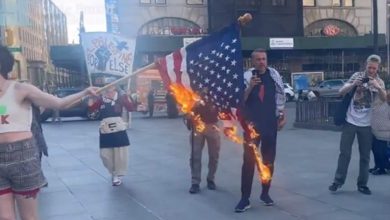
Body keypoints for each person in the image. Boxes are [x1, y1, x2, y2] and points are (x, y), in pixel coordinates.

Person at [0, 45, 97, 220]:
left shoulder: (20, 89)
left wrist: (84, 92)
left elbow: (58, 103)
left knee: (29, 217)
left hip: (22, 156)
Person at [235, 48, 286, 212]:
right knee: (249, 162)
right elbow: (240, 100)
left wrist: (281, 114)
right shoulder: (246, 77)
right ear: (253, 62)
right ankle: (244, 198)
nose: (261, 62)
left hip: (270, 125)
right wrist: (250, 87)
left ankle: (265, 193)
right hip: (252, 126)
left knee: (268, 161)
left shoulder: (274, 75)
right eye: (258, 59)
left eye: (264, 59)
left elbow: (280, 96)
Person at [328, 54, 386, 195]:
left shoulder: (379, 81)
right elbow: (341, 92)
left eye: (374, 68)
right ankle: (338, 181)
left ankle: (362, 184)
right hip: (350, 121)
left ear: (377, 68)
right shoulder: (357, 76)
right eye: (369, 67)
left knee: (365, 155)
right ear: (365, 65)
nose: (371, 70)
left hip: (366, 124)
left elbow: (384, 99)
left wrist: (378, 87)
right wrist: (354, 84)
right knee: (345, 153)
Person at [88, 84, 134, 186]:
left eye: (112, 85)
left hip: (118, 128)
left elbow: (130, 108)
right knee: (105, 154)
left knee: (120, 153)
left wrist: (128, 96)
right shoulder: (101, 99)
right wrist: (91, 97)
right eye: (107, 85)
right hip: (106, 128)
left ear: (115, 87)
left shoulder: (121, 98)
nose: (109, 87)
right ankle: (113, 172)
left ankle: (118, 174)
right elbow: (91, 108)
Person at [187, 92, 221, 194]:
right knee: (195, 155)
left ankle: (211, 179)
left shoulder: (216, 86)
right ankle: (195, 182)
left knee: (214, 155)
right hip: (197, 124)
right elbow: (185, 102)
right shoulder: (195, 85)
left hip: (213, 124)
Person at [369, 88, 390, 175]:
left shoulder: (387, 101)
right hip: (375, 129)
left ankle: (383, 168)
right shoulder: (377, 100)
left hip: (385, 130)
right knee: (376, 149)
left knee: (381, 150)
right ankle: (378, 166)